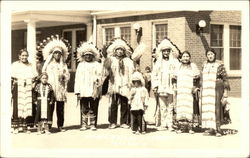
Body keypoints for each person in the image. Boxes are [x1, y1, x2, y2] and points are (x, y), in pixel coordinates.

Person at [40, 35, 71, 132]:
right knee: (50, 107)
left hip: (60, 89)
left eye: (59, 53)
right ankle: (48, 125)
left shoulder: (63, 65)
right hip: (50, 89)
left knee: (60, 108)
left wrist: (64, 77)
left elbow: (67, 75)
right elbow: (43, 74)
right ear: (52, 54)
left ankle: (60, 125)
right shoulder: (48, 65)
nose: (57, 55)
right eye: (55, 53)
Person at [104, 38, 135, 129]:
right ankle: (112, 122)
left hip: (125, 84)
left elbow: (131, 72)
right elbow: (106, 72)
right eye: (118, 50)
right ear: (115, 51)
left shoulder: (128, 61)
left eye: (121, 50)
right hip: (114, 84)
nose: (120, 51)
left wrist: (130, 83)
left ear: (124, 51)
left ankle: (123, 122)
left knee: (124, 103)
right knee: (113, 104)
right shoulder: (111, 60)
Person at [151, 38, 180, 131]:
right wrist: (155, 86)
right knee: (162, 106)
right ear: (162, 52)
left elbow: (178, 72)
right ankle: (163, 124)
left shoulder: (175, 62)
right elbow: (154, 75)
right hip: (161, 86)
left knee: (170, 106)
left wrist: (175, 78)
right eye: (164, 51)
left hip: (171, 86)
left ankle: (170, 124)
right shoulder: (158, 63)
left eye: (168, 51)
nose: (166, 53)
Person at [201, 48, 231, 137]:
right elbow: (202, 78)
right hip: (207, 89)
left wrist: (225, 92)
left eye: (212, 54)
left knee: (217, 107)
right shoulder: (204, 65)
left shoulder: (219, 65)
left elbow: (225, 79)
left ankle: (218, 129)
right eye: (208, 54)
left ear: (215, 55)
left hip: (217, 87)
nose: (210, 56)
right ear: (206, 56)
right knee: (208, 107)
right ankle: (210, 128)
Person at [74, 42, 103, 131]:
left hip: (94, 89)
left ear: (93, 56)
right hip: (83, 89)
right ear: (83, 56)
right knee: (84, 107)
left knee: (94, 107)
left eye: (90, 55)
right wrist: (77, 91)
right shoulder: (80, 65)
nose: (88, 57)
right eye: (86, 55)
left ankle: (93, 124)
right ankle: (84, 124)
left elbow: (100, 75)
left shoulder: (97, 64)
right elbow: (77, 78)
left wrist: (98, 80)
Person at [11, 49, 38, 134]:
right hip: (18, 87)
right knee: (17, 106)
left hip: (28, 88)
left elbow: (35, 77)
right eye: (22, 55)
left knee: (27, 106)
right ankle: (16, 127)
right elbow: (11, 77)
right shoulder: (15, 65)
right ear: (19, 56)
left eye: (26, 55)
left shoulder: (30, 65)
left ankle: (25, 126)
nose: (24, 57)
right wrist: (15, 82)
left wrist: (33, 83)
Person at [173, 51, 200, 134]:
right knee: (181, 107)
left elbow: (197, 78)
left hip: (189, 91)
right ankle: (180, 128)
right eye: (184, 56)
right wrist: (174, 86)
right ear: (181, 58)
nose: (185, 58)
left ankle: (190, 128)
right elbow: (174, 78)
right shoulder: (178, 66)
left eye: (187, 56)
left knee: (189, 108)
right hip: (181, 91)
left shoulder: (193, 66)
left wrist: (195, 87)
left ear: (190, 57)